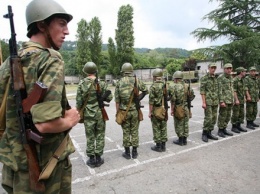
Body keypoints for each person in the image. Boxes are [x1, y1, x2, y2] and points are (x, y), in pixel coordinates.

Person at [0, 0, 80, 193]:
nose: (67, 31)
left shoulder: (6, 66)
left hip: (15, 166)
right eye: (61, 23)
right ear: (42, 25)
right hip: (46, 167)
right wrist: (70, 119)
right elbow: (46, 124)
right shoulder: (50, 59)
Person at [76, 62, 112, 168]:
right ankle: (99, 157)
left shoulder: (82, 83)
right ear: (95, 71)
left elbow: (78, 102)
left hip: (88, 115)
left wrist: (79, 112)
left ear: (86, 71)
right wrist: (102, 97)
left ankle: (91, 159)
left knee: (90, 136)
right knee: (100, 135)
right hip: (100, 114)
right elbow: (109, 97)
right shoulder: (102, 83)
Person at [114, 63, 148, 159]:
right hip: (135, 111)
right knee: (134, 131)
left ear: (123, 71)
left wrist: (118, 113)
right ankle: (135, 152)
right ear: (131, 71)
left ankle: (127, 153)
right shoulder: (136, 80)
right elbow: (145, 90)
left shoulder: (119, 82)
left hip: (124, 111)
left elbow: (117, 100)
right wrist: (138, 99)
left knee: (126, 132)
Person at [170, 71, 194, 146]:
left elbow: (173, 100)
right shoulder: (187, 86)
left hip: (178, 108)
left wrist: (172, 110)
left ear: (176, 79)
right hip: (186, 107)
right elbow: (192, 96)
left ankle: (180, 140)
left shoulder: (174, 86)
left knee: (178, 123)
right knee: (185, 123)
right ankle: (185, 140)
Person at [149, 69, 168, 152]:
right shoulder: (166, 85)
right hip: (164, 108)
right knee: (163, 127)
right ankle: (163, 145)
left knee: (156, 127)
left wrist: (150, 112)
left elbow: (151, 101)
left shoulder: (153, 86)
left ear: (154, 77)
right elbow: (170, 96)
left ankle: (158, 146)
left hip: (156, 109)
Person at [200, 63, 219, 142]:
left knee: (214, 118)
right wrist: (204, 102)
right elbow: (202, 91)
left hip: (215, 101)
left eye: (214, 68)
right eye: (212, 68)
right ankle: (204, 133)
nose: (213, 69)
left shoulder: (215, 78)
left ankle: (209, 133)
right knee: (208, 118)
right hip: (208, 101)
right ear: (208, 68)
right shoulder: (204, 78)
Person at [217, 63, 234, 137]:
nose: (229, 70)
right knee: (222, 116)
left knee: (228, 116)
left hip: (230, 99)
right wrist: (221, 101)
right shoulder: (221, 77)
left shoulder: (231, 77)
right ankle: (220, 130)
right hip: (224, 100)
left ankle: (224, 128)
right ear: (224, 69)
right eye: (227, 68)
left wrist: (232, 99)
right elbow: (219, 90)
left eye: (230, 68)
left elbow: (231, 89)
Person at [231, 67, 248, 133]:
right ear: (241, 72)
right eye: (244, 71)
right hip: (237, 100)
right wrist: (236, 100)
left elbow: (243, 90)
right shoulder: (235, 80)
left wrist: (244, 97)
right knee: (236, 113)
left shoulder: (242, 80)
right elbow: (234, 91)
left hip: (241, 99)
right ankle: (234, 127)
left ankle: (239, 125)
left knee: (241, 113)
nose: (245, 72)